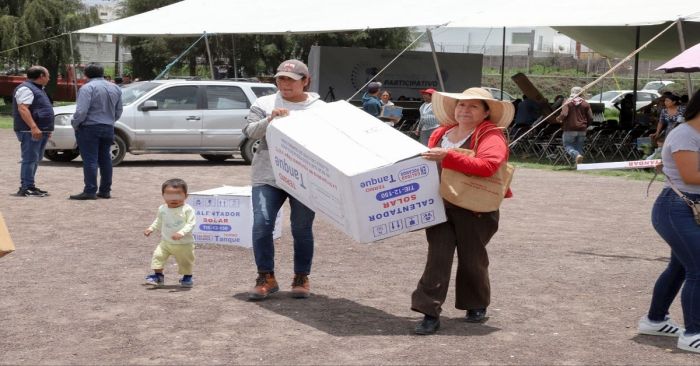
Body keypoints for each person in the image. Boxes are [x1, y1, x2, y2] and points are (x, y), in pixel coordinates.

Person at [411, 87, 514, 335]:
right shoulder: (440, 133)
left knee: (472, 258)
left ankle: (476, 303)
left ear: (486, 112)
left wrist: (448, 155)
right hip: (441, 202)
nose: (464, 110)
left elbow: (488, 165)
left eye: (473, 106)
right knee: (438, 257)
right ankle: (429, 312)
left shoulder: (491, 135)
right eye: (461, 105)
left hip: (476, 208)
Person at [242, 59, 326, 300]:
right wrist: (270, 119)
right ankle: (266, 276)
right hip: (267, 176)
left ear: (306, 81)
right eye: (280, 79)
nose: (284, 84)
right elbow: (249, 132)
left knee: (301, 229)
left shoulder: (320, 108)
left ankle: (301, 277)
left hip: (305, 178)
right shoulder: (264, 103)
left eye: (291, 80)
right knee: (261, 225)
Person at [638, 88, 700, 354]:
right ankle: (693, 333)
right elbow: (690, 176)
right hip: (676, 207)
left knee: (679, 267)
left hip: (687, 208)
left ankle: (655, 320)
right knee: (698, 269)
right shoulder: (685, 134)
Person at [69, 64, 123, 200]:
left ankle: (90, 190)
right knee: (105, 159)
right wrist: (110, 120)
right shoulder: (115, 87)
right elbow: (119, 110)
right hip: (108, 126)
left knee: (90, 159)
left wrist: (75, 124)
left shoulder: (87, 88)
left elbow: (81, 111)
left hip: (89, 127)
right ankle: (105, 190)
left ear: (86, 74)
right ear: (102, 73)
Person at [144, 178, 197, 288]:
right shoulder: (162, 208)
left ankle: (187, 277)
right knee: (157, 256)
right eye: (169, 196)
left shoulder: (187, 209)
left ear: (186, 196)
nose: (173, 199)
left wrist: (181, 233)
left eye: (178, 196)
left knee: (185, 262)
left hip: (184, 244)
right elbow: (159, 220)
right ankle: (158, 276)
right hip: (166, 242)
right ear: (163, 196)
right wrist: (151, 228)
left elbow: (191, 224)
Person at [12, 65, 53, 197]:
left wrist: (46, 129)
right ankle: (26, 187)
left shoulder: (38, 89)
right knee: (30, 159)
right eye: (48, 75)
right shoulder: (26, 88)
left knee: (35, 158)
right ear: (41, 76)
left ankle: (30, 186)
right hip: (29, 131)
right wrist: (34, 127)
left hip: (39, 130)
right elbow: (23, 109)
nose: (49, 78)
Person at [556, 86, 593, 165]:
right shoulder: (586, 103)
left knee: (568, 145)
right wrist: (586, 125)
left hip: (570, 128)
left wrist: (558, 118)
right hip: (582, 129)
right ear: (581, 93)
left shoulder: (567, 102)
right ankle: (579, 165)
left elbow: (564, 114)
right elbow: (591, 117)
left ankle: (576, 155)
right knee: (579, 146)